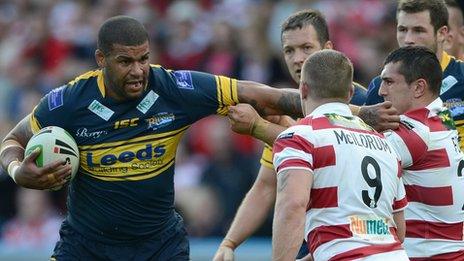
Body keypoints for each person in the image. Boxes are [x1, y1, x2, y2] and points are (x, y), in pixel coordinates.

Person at [0, 15, 311, 260]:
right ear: (101, 59)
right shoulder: (69, 101)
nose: (138, 71)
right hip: (86, 248)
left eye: (144, 59)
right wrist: (17, 171)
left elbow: (261, 94)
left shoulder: (173, 88)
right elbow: (12, 141)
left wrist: (335, 105)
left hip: (159, 248)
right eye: (125, 61)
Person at [213, 10, 400, 260]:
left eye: (306, 47)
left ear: (328, 48)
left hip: (347, 241)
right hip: (339, 243)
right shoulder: (296, 112)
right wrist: (229, 242)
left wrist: (260, 128)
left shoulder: (366, 106)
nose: (298, 59)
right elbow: (266, 186)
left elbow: (313, 152)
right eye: (289, 50)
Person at [272, 49, 408, 260]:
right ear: (350, 93)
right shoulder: (385, 144)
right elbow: (398, 229)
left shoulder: (300, 136)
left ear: (303, 89)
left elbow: (292, 206)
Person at [380, 46, 464, 259]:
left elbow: (343, 147)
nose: (381, 91)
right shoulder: (442, 115)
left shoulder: (416, 132)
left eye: (389, 82)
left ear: (418, 88)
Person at [365, 0, 464, 150]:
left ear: (442, 33)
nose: (408, 40)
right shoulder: (381, 87)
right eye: (403, 29)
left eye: (418, 30)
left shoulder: (461, 76)